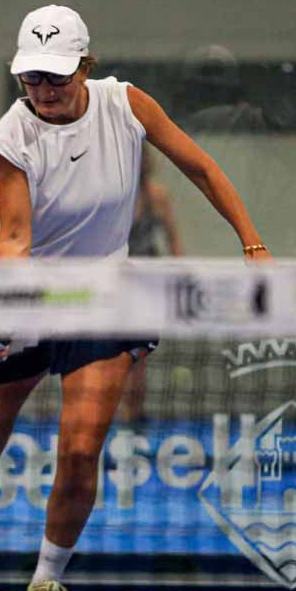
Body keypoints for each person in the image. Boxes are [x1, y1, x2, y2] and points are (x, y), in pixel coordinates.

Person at [0, 4, 271, 591]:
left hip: (106, 301)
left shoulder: (126, 105)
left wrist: (252, 244)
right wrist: (1, 326)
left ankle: (45, 581)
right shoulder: (11, 140)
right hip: (26, 298)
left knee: (77, 450)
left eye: (57, 76)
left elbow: (201, 167)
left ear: (86, 67)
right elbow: (14, 241)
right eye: (32, 78)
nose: (44, 90)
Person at [119, 145, 184, 426]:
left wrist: (181, 278)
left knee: (137, 357)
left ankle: (134, 415)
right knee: (110, 356)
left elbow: (174, 240)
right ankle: (112, 415)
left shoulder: (157, 196)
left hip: (146, 284)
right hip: (112, 283)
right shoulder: (110, 197)